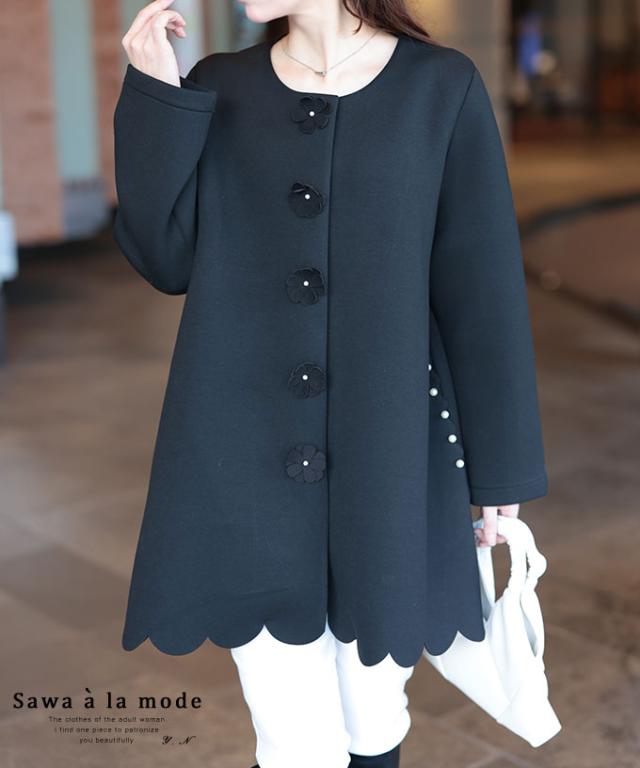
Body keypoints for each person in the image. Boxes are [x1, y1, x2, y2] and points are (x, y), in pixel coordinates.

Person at [113, 1, 549, 767]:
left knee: (373, 715)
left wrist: (498, 471)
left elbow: (480, 289)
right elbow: (165, 257)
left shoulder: (439, 87)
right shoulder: (220, 84)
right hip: (241, 455)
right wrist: (157, 95)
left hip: (389, 454)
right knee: (292, 737)